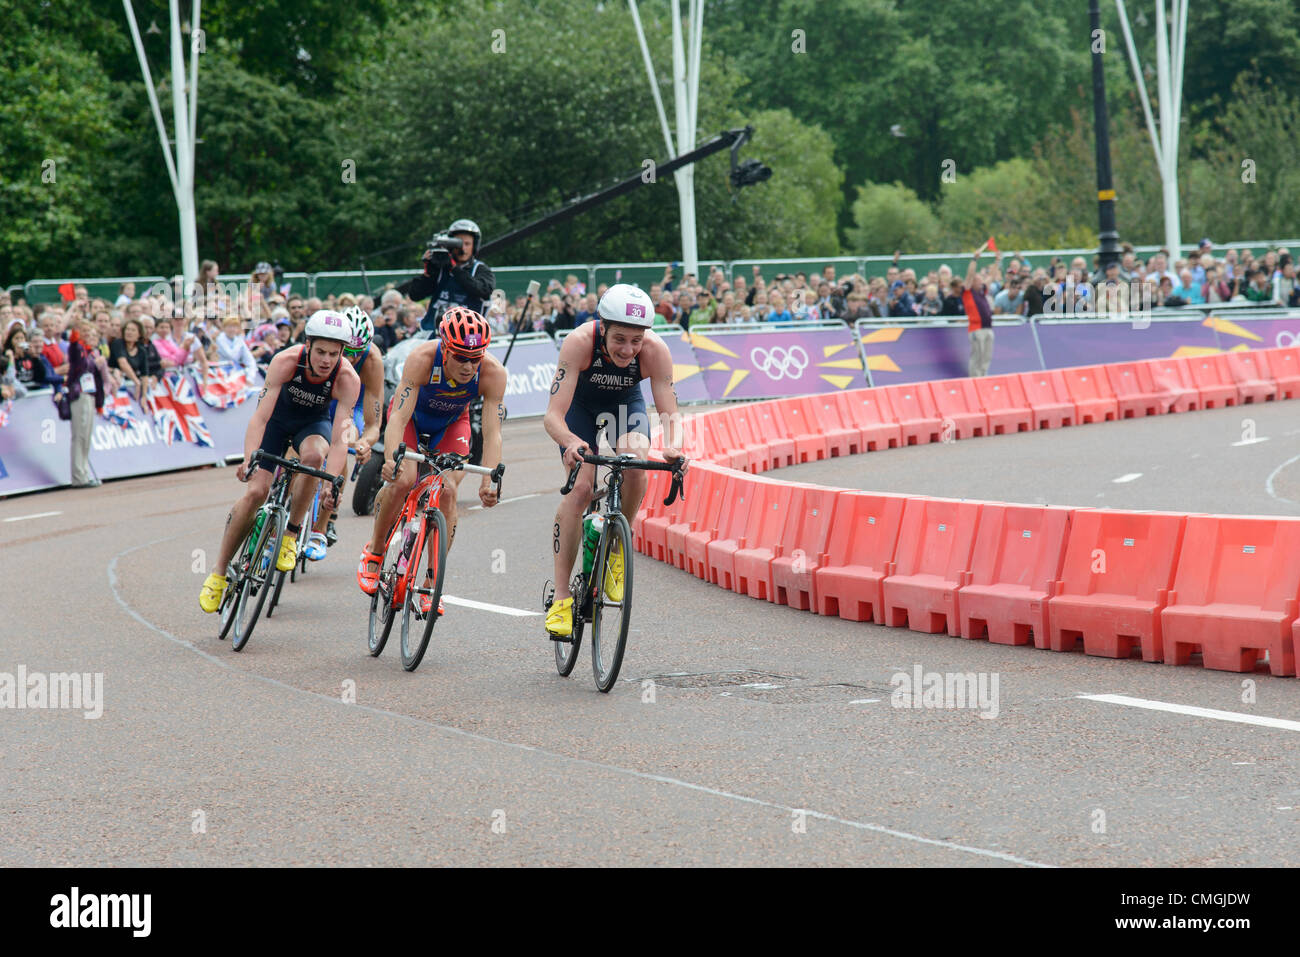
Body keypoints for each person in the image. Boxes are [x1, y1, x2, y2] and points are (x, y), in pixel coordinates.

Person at [542, 284, 685, 638]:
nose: (628, 349)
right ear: (602, 327)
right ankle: (561, 600)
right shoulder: (579, 341)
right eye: (620, 338)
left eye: (636, 341)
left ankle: (619, 543)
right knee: (581, 486)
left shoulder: (655, 351)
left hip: (625, 405)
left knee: (636, 465)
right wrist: (571, 441)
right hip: (579, 408)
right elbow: (552, 417)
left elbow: (669, 411)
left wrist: (675, 447)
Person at [198, 310, 361, 614]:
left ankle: (291, 534)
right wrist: (250, 459)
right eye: (321, 351)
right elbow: (260, 417)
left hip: (313, 425)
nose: (326, 360)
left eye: (334, 354)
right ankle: (218, 573)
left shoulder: (348, 378)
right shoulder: (286, 361)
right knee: (256, 493)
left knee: (314, 456)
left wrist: (333, 481)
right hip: (276, 423)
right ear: (308, 345)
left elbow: (341, 439)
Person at [356, 307, 507, 618]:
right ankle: (375, 552)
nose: (469, 366)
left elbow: (493, 434)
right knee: (403, 479)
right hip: (412, 419)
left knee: (448, 491)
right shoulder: (423, 358)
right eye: (461, 357)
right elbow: (397, 416)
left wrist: (487, 481)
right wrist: (390, 459)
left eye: (475, 357)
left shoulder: (493, 373)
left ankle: (430, 582)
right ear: (445, 348)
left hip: (452, 425)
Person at [306, 306, 384, 558]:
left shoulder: (372, 360)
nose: (348, 358)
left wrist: (364, 442)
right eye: (345, 350)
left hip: (355, 404)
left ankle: (325, 520)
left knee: (345, 439)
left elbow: (374, 423)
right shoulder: (323, 349)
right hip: (323, 396)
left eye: (355, 353)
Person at [398, 218, 495, 332]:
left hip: (468, 338)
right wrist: (428, 272)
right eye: (458, 243)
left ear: (474, 246)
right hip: (433, 334)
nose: (462, 248)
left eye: (467, 244)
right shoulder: (441, 268)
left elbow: (483, 290)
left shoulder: (480, 270)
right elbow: (415, 295)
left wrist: (454, 269)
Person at [65, 320, 109, 488]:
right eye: (86, 333)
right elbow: (74, 346)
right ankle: (78, 476)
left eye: (93, 334)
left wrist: (99, 403)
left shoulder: (93, 354)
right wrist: (76, 331)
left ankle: (83, 472)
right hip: (80, 395)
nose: (90, 337)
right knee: (80, 436)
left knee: (86, 437)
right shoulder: (79, 350)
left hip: (90, 395)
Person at [110, 318, 163, 401]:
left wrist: (144, 397)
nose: (129, 332)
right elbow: (123, 363)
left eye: (133, 330)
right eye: (127, 329)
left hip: (132, 388)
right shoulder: (118, 343)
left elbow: (145, 374)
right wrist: (137, 382)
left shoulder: (142, 350)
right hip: (117, 386)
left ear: (139, 334)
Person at [964, 240, 995, 377]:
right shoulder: (968, 293)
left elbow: (992, 277)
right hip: (977, 329)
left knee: (986, 357)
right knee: (977, 356)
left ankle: (983, 376)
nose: (980, 281)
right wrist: (974, 260)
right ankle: (974, 378)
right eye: (978, 279)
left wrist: (997, 261)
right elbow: (970, 275)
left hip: (987, 328)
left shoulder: (982, 292)